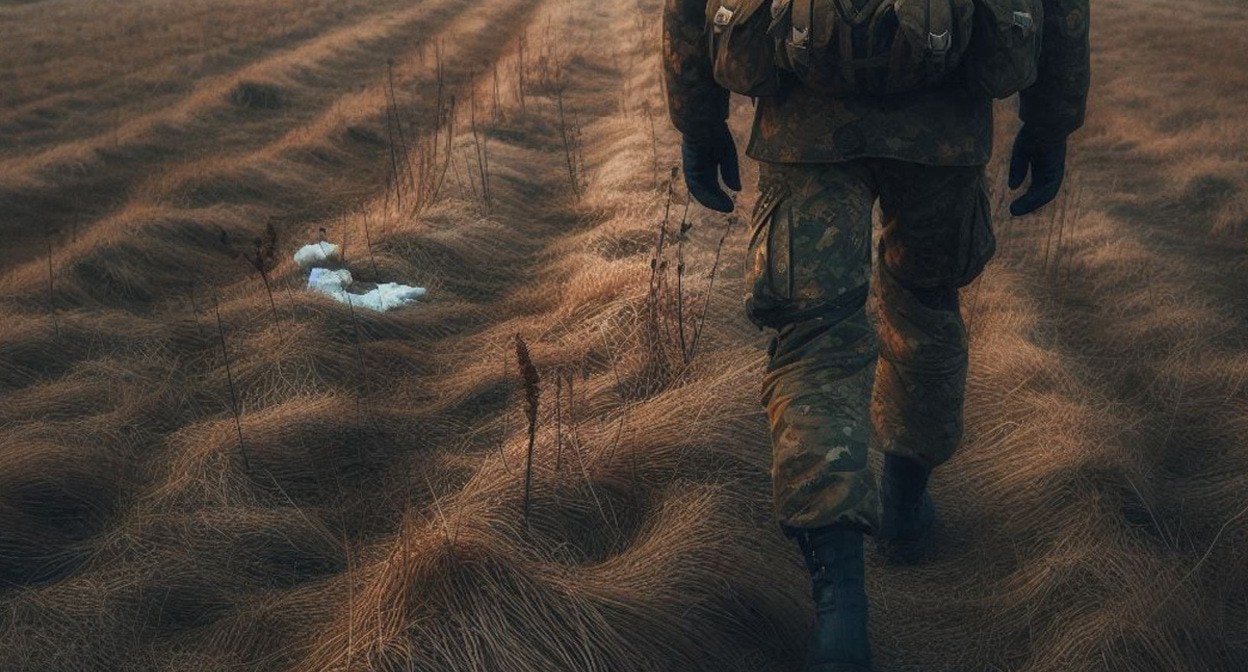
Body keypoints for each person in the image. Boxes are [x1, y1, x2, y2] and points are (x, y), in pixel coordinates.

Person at [662, 1, 1090, 670]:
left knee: (812, 339)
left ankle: (841, 605)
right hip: (943, 127)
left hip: (806, 122)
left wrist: (699, 118)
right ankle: (905, 506)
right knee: (925, 306)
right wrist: (1050, 119)